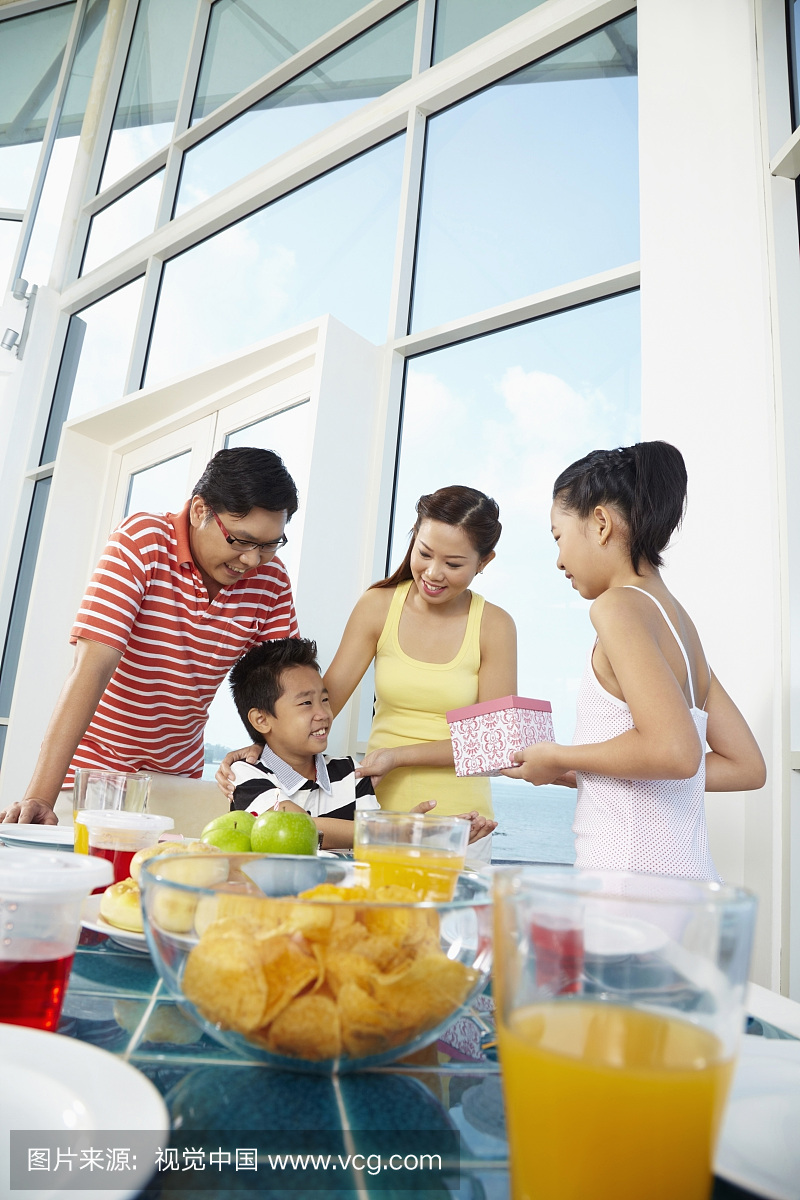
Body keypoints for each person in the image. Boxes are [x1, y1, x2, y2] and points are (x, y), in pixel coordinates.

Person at [502, 441, 766, 880]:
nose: (558, 560)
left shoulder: (616, 607)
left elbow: (674, 751)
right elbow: (745, 766)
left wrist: (556, 754)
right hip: (690, 879)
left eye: (558, 537)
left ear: (600, 523)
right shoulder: (680, 626)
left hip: (630, 883)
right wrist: (578, 769)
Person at [0, 447, 299, 825]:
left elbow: (281, 687)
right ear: (199, 511)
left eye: (270, 544)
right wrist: (39, 796)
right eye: (241, 541)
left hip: (176, 781)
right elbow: (91, 669)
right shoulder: (143, 542)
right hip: (95, 774)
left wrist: (266, 756)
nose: (253, 560)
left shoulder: (271, 581)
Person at [228, 637, 381, 849]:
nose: (323, 713)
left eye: (325, 700)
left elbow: (376, 842)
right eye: (306, 703)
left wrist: (382, 833)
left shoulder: (351, 772)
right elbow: (293, 826)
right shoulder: (245, 773)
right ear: (261, 720)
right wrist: (389, 832)